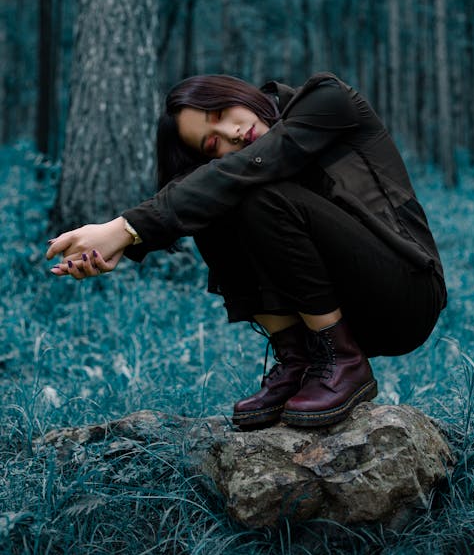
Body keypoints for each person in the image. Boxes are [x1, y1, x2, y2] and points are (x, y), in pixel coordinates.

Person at [47, 72, 447, 430]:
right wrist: (122, 241)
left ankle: (342, 360)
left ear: (235, 89)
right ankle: (299, 362)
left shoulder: (329, 98)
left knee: (246, 187)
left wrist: (126, 229)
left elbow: (265, 160)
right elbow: (209, 184)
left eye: (222, 112)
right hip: (344, 305)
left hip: (406, 292)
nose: (232, 133)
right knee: (211, 196)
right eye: (212, 142)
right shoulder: (230, 163)